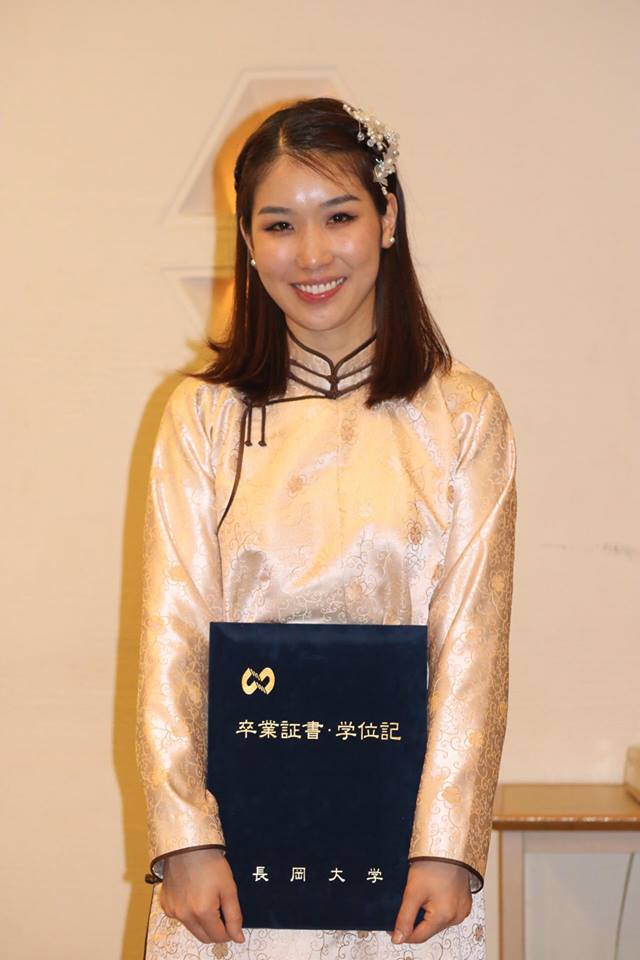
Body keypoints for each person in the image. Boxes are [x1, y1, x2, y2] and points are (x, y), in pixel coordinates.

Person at [136, 96, 517, 960]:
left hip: (410, 865)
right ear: (247, 241)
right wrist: (185, 838)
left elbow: (474, 648)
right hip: (227, 866)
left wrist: (449, 845)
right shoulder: (202, 416)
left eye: (339, 216)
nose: (311, 255)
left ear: (388, 219)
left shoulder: (464, 414)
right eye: (280, 225)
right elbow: (172, 638)